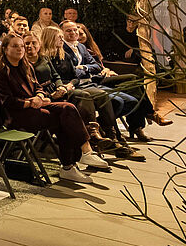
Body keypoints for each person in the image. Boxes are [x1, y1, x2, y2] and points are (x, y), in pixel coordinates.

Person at [0, 33, 102, 186]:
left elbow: (38, 87)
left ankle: (85, 152)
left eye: (21, 46)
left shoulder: (26, 65)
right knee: (63, 120)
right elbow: (7, 101)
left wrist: (40, 96)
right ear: (4, 49)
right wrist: (32, 103)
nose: (20, 49)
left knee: (68, 108)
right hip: (16, 115)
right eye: (15, 46)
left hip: (36, 105)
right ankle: (69, 166)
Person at [31, 30, 131, 159]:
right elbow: (53, 78)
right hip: (59, 90)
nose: (62, 40)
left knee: (102, 96)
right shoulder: (45, 58)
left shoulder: (65, 55)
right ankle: (92, 135)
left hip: (69, 86)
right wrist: (60, 87)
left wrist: (69, 84)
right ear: (50, 39)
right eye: (59, 37)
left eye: (62, 37)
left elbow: (75, 77)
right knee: (84, 96)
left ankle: (111, 136)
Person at [62, 22, 155, 142]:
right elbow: (72, 73)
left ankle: (111, 124)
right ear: (61, 33)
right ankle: (114, 135)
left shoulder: (82, 47)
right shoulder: (61, 49)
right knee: (118, 100)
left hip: (94, 79)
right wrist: (88, 70)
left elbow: (96, 65)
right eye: (69, 31)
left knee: (133, 90)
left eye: (77, 31)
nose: (75, 34)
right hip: (82, 84)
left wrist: (85, 68)